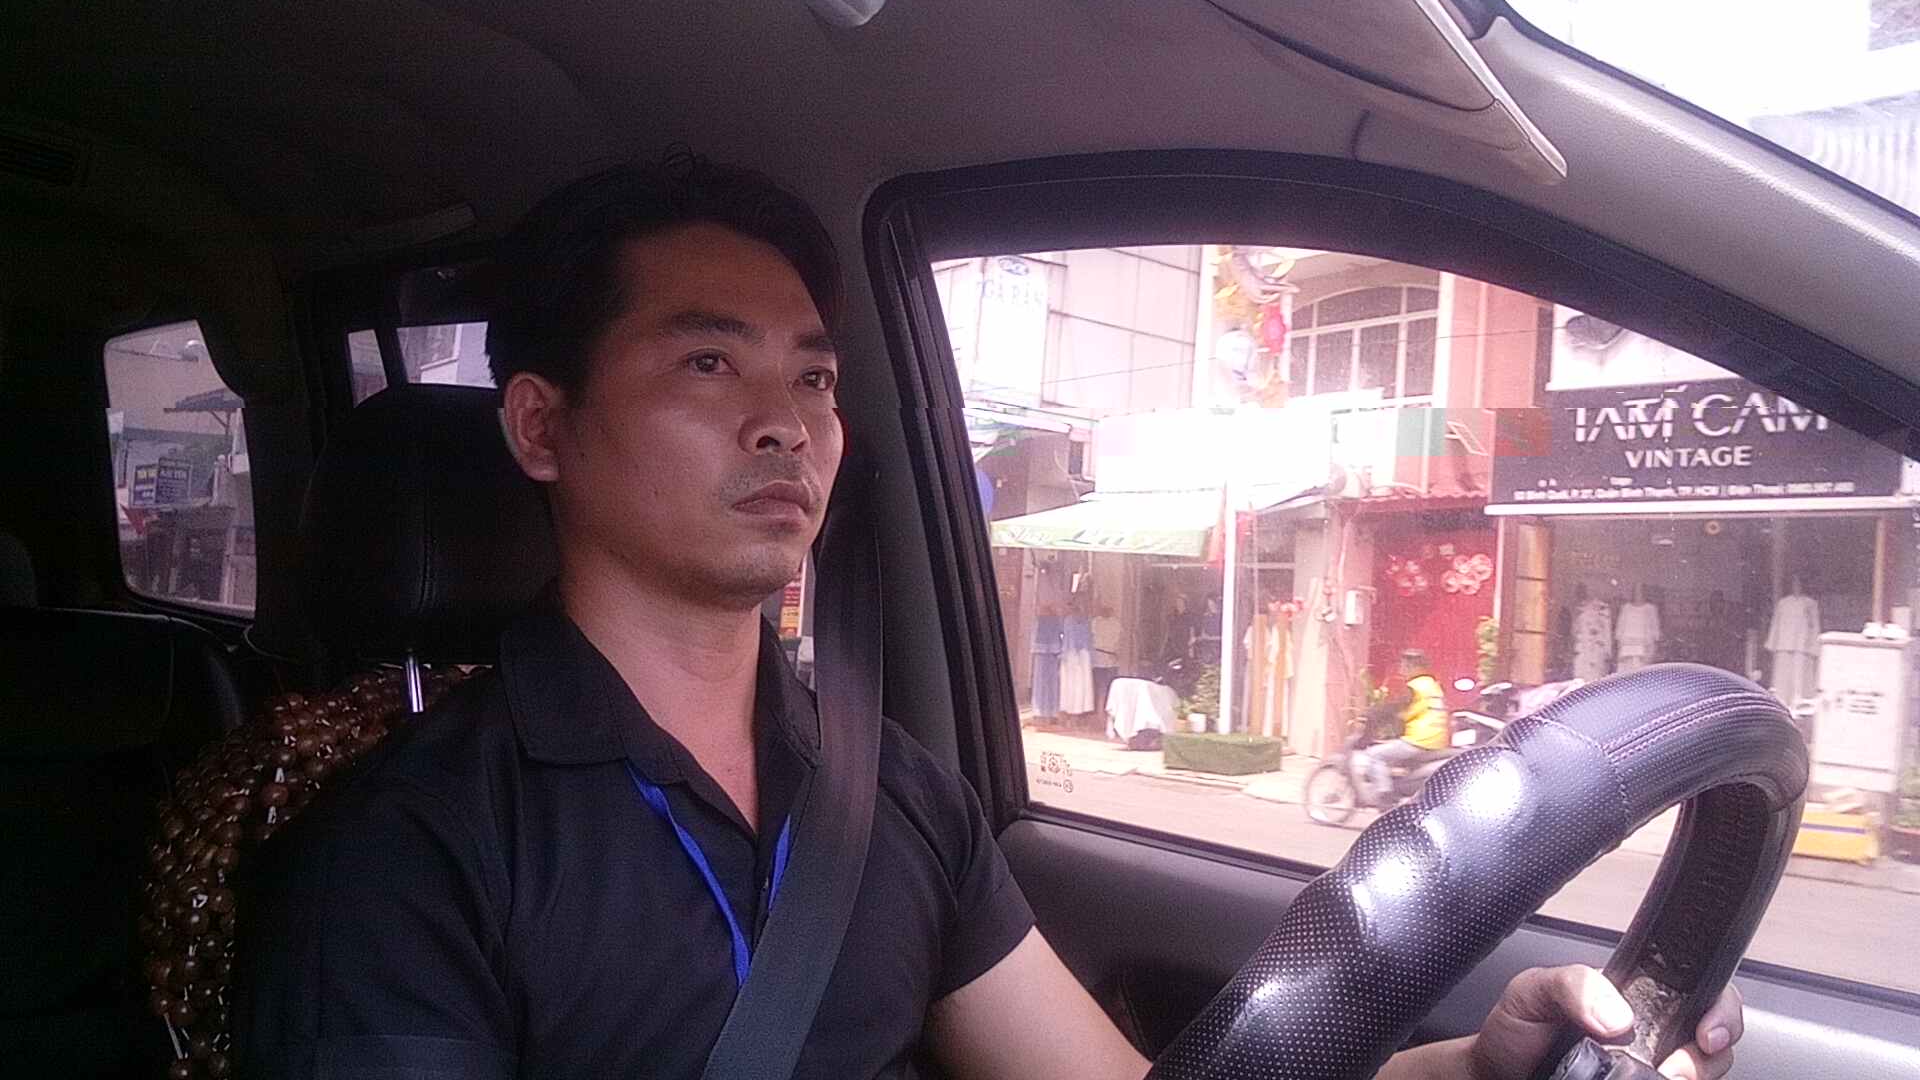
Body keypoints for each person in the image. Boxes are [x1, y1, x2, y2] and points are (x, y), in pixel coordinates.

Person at [237, 156, 1743, 1080]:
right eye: (708, 364)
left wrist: (1471, 1072)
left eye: (815, 377)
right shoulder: (407, 853)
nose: (787, 423)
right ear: (540, 426)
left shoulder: (888, 796)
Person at [1361, 650, 1451, 807]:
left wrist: (1372, 714)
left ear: (1414, 667)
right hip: (1437, 739)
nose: (1401, 669)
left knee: (1375, 755)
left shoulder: (1415, 687)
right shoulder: (1433, 685)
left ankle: (1385, 796)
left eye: (1404, 665)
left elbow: (1394, 707)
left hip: (1419, 740)